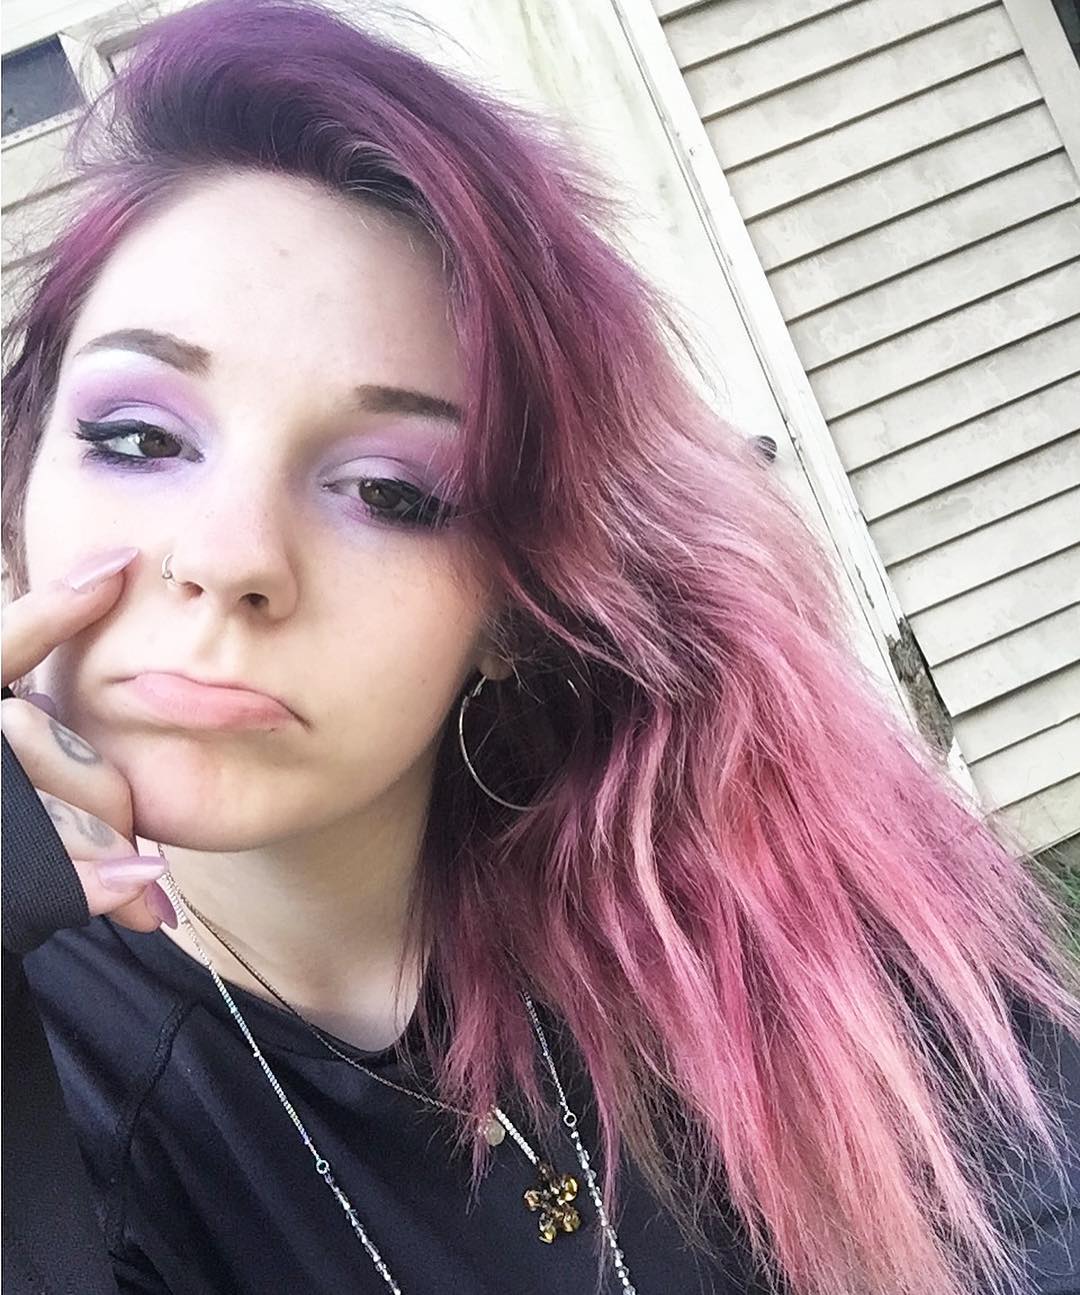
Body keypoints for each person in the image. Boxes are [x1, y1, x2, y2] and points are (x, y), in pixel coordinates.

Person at [2, 0, 1079, 1291]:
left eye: (392, 491)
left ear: (515, 606)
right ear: (20, 495)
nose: (231, 557)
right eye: (138, 438)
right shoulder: (53, 1084)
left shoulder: (764, 917)